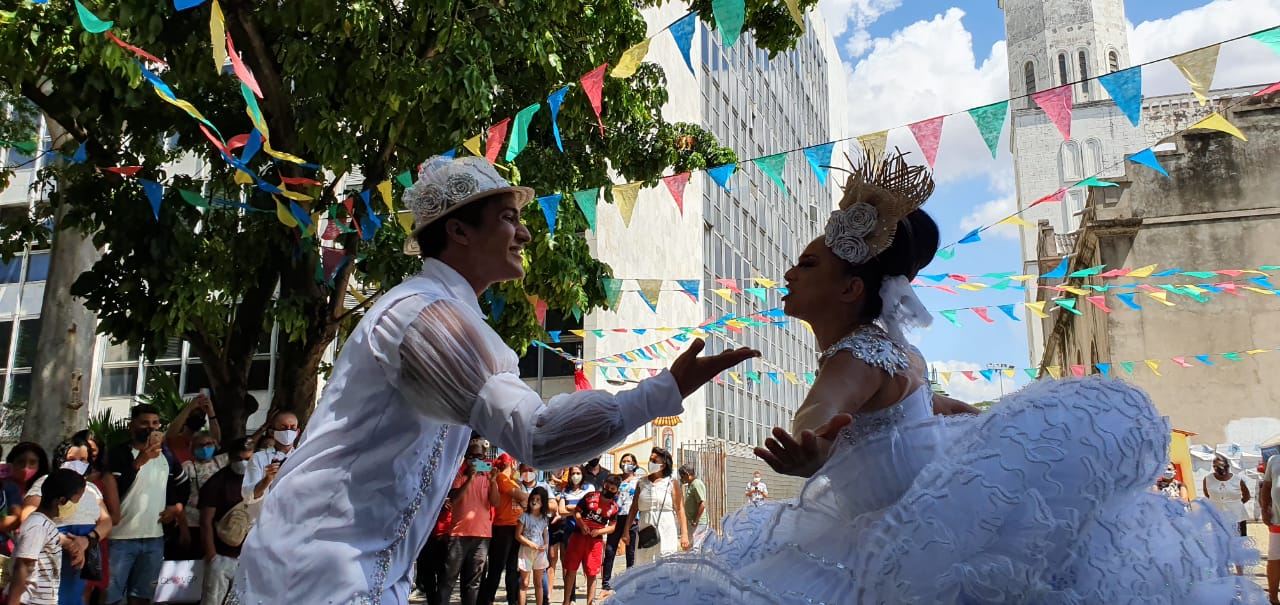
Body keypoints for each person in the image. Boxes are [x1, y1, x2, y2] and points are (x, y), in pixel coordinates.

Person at [607, 151, 1265, 603]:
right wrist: (967, 413)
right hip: (905, 539)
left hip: (908, 552)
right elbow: (921, 404)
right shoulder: (893, 352)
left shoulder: (859, 353)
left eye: (807, 264)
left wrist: (812, 443)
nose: (789, 273)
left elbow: (826, 404)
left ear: (849, 288)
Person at [231, 155, 755, 604]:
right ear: (458, 230)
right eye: (508, 217)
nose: (525, 232)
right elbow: (540, 435)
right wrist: (662, 391)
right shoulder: (425, 315)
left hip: (345, 564)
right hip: (320, 570)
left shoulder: (442, 310)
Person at [106, 404, 190, 605]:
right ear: (132, 425)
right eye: (144, 423)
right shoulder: (118, 454)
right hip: (119, 538)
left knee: (143, 596)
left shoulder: (167, 455)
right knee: (111, 597)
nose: (150, 428)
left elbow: (182, 484)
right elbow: (114, 488)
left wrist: (176, 506)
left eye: (154, 423)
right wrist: (140, 461)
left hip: (154, 538)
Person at [22, 436, 114, 605]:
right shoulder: (45, 483)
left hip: (82, 554)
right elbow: (28, 516)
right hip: (52, 552)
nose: (78, 463)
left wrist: (87, 540)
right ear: (60, 460)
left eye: (83, 459)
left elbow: (106, 521)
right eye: (71, 459)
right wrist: (65, 542)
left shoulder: (92, 489)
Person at [9, 469, 87, 605]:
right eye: (75, 501)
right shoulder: (37, 526)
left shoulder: (45, 524)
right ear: (62, 501)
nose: (76, 506)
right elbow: (22, 565)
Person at [438, 438, 500, 605]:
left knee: (473, 583)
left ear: (484, 456)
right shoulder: (459, 474)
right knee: (448, 579)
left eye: (478, 456)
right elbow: (454, 498)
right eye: (471, 455)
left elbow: (495, 502)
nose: (475, 459)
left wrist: (493, 481)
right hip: (459, 535)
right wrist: (470, 479)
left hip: (482, 536)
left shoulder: (489, 475)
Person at [198, 437, 253, 605]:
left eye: (248, 459)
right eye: (239, 459)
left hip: (247, 557)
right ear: (230, 457)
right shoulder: (216, 483)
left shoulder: (257, 481)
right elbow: (205, 521)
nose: (243, 463)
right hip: (221, 556)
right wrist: (212, 555)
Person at [622, 448, 687, 566]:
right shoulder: (641, 482)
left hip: (666, 528)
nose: (650, 463)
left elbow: (680, 509)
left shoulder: (671, 483)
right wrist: (626, 530)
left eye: (654, 461)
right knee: (644, 564)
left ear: (663, 465)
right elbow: (634, 508)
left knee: (665, 564)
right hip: (645, 529)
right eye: (650, 459)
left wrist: (684, 534)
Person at [562, 475, 621, 605]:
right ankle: (566, 601)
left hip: (595, 542)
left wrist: (599, 531)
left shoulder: (614, 507)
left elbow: (612, 527)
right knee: (571, 570)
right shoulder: (590, 496)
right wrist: (582, 524)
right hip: (578, 537)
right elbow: (577, 512)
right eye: (607, 487)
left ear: (616, 491)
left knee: (592, 572)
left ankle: (590, 602)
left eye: (613, 489)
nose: (609, 490)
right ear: (604, 484)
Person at [74, 430, 118, 605]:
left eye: (93, 449)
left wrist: (91, 530)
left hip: (95, 541)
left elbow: (115, 516)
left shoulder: (104, 478)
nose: (89, 452)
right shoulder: (63, 476)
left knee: (90, 589)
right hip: (68, 539)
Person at [480, 453, 526, 605]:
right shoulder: (502, 478)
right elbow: (520, 496)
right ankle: (488, 599)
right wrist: (525, 497)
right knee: (497, 567)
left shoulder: (514, 481)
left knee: (513, 568)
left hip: (515, 526)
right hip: (503, 527)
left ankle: (512, 599)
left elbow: (523, 499)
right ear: (511, 463)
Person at [1203, 453, 1251, 575]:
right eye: (1214, 466)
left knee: (1237, 545)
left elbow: (1246, 496)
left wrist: (1234, 505)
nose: (1217, 468)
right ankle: (1224, 573)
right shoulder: (1207, 479)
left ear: (1227, 465)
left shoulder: (1237, 479)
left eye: (1220, 465)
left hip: (1237, 517)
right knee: (1220, 545)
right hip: (1218, 518)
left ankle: (1240, 574)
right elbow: (1207, 495)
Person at [600, 453, 638, 593]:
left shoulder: (638, 481)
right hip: (616, 517)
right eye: (624, 461)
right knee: (610, 550)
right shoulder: (616, 480)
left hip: (632, 518)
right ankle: (606, 583)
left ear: (634, 464)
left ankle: (630, 580)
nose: (626, 463)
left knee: (631, 551)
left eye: (629, 461)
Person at [240, 411, 298, 502]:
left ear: (297, 432)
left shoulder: (302, 456)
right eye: (283, 428)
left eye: (292, 428)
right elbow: (248, 496)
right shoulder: (258, 458)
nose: (288, 431)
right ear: (272, 432)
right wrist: (267, 479)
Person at [515, 487, 551, 605]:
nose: (535, 502)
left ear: (543, 503)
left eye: (538, 500)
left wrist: (545, 545)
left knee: (538, 582)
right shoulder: (524, 516)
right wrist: (530, 544)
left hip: (539, 553)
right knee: (524, 583)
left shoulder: (544, 518)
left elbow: (545, 534)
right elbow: (518, 535)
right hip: (526, 552)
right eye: (533, 499)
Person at [164, 394, 220, 464]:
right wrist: (190, 407)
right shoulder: (176, 440)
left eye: (201, 415)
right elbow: (170, 435)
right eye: (193, 414)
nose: (198, 418)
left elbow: (216, 439)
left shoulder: (204, 443)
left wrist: (211, 412)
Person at [678, 464, 708, 550]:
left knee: (695, 548)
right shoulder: (691, 485)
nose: (681, 479)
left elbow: (702, 503)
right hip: (693, 522)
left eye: (682, 476)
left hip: (698, 523)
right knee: (691, 547)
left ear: (687, 474)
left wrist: (695, 521)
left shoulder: (696, 484)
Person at [1262, 453, 1278, 605]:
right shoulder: (1274, 460)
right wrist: (1263, 510)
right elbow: (1266, 486)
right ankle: (1273, 597)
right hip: (1277, 521)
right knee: (1274, 560)